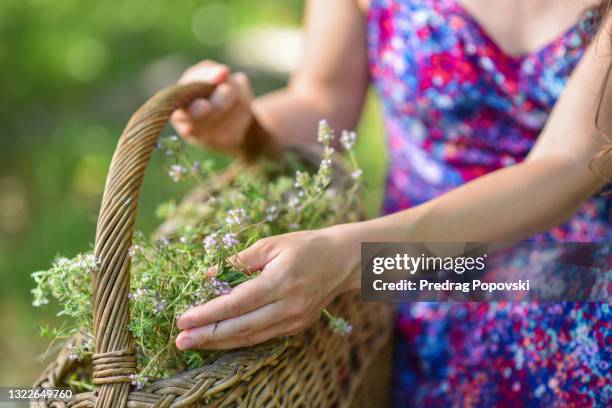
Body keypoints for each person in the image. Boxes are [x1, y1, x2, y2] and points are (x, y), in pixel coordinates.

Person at [171, 0, 611, 405]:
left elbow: (571, 161)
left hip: (579, 275)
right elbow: (323, 100)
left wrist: (360, 261)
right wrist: (243, 125)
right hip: (415, 284)